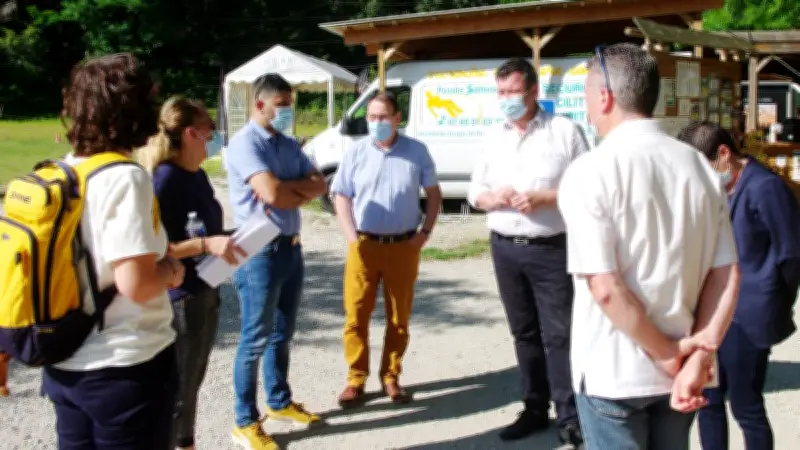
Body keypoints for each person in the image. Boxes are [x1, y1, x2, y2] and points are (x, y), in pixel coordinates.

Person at [557, 43, 741, 450]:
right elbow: (726, 274)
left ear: (604, 97)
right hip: (679, 370)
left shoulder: (590, 171)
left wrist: (665, 353)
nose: (586, 108)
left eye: (587, 95)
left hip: (614, 371)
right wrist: (697, 354)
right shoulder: (700, 167)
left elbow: (605, 288)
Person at [43, 53, 185, 450]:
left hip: (66, 361)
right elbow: (136, 284)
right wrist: (172, 272)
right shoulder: (125, 178)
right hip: (125, 365)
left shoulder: (62, 172)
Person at [467, 58, 588, 447]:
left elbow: (587, 187)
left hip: (550, 248)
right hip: (505, 248)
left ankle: (570, 417)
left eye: (513, 92)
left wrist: (545, 198)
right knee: (523, 333)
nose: (506, 100)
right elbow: (474, 191)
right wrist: (491, 197)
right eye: (500, 93)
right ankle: (534, 408)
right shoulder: (493, 137)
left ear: (534, 91)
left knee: (559, 335)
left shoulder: (565, 132)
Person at [678, 121, 800, 450]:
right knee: (708, 401)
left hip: (748, 314)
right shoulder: (713, 190)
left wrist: (773, 301)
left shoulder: (765, 188)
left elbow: (790, 253)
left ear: (723, 154)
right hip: (709, 312)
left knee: (745, 405)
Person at [138, 96, 246, 450]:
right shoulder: (164, 181)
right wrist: (204, 247)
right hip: (181, 298)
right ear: (190, 134)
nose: (215, 137)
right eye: (210, 130)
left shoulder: (197, 175)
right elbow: (154, 249)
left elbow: (204, 231)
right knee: (179, 387)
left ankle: (186, 442)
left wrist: (231, 241)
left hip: (207, 287)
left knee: (193, 381)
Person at [225, 73, 327, 450]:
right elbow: (270, 193)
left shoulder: (286, 143)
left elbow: (320, 183)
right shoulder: (244, 144)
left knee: (283, 332)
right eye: (281, 104)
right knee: (254, 338)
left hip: (290, 246)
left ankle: (279, 401)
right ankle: (244, 421)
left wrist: (291, 192)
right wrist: (294, 191)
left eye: (290, 104)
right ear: (259, 105)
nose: (287, 111)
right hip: (259, 253)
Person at [331, 92, 442, 408]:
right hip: (363, 245)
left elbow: (434, 194)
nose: (376, 123)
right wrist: (351, 237)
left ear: (397, 119)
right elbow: (341, 196)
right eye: (371, 117)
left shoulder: (416, 152)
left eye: (383, 117)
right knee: (356, 315)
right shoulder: (355, 152)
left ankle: (391, 376)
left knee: (398, 317)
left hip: (403, 246)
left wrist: (425, 233)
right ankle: (355, 379)